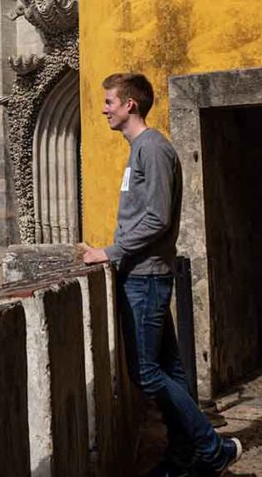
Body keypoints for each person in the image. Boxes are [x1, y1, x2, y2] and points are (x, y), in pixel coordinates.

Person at [83, 72, 243, 476]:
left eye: (109, 102)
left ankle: (211, 449)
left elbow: (155, 218)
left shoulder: (152, 150)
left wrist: (109, 252)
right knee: (170, 369)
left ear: (129, 105)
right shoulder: (142, 149)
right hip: (143, 275)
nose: (103, 109)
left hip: (146, 278)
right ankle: (183, 453)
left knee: (146, 373)